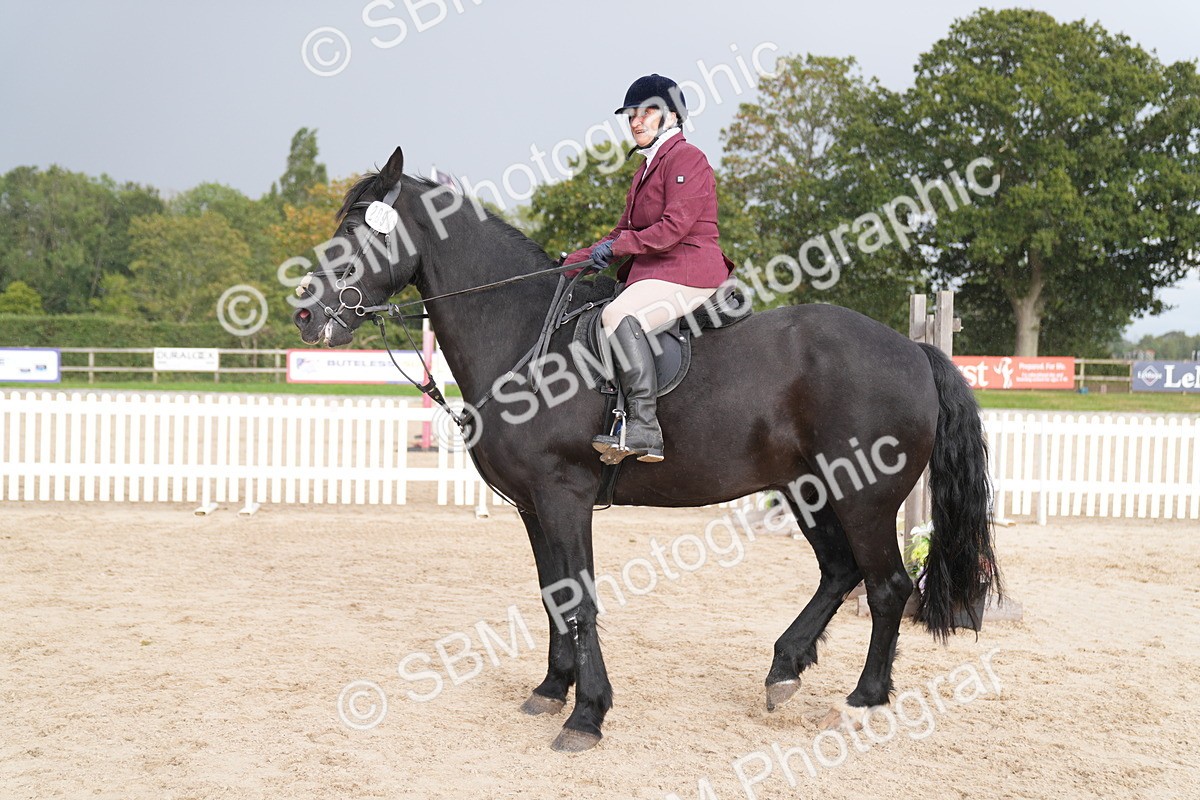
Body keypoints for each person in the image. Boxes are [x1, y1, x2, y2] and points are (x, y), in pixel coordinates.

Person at [563, 74, 735, 464]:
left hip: (690, 268)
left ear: (671, 116)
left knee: (617, 313)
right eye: (630, 116)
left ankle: (644, 426)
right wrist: (572, 263)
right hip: (657, 270)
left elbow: (673, 228)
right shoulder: (644, 170)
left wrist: (619, 246)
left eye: (646, 113)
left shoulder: (687, 159)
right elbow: (623, 231)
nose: (636, 122)